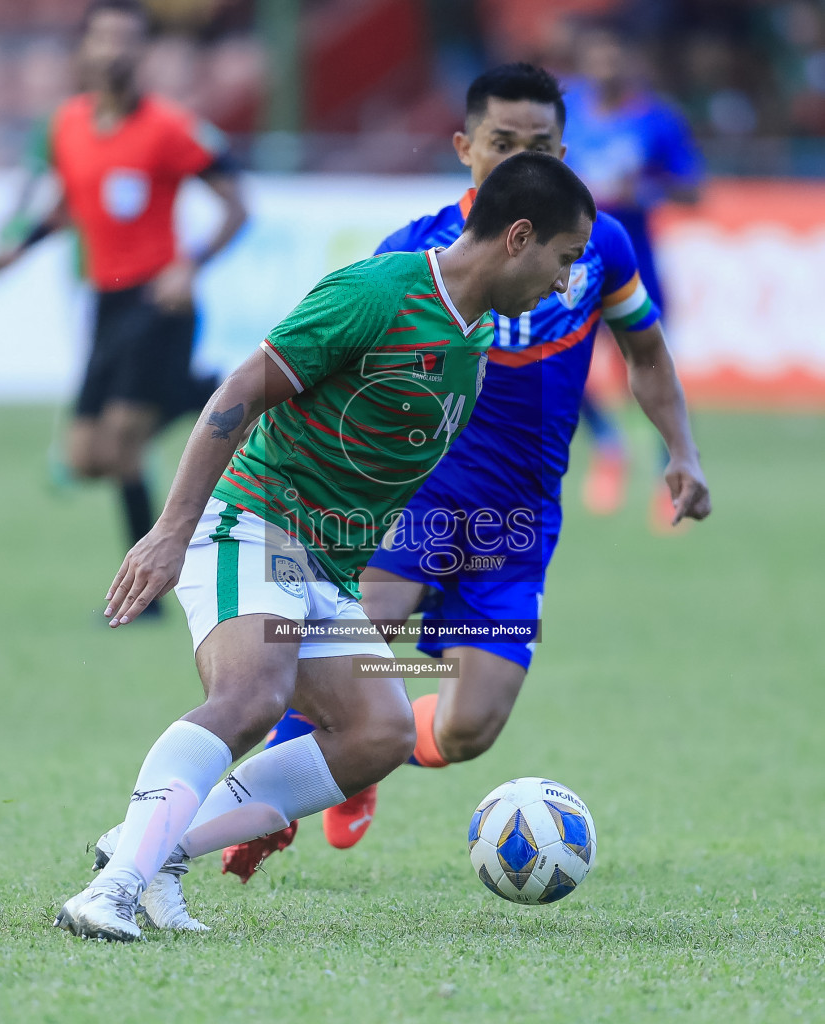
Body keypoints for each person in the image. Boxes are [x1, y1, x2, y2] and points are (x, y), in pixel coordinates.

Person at [51, 150, 597, 942]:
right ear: (520, 236)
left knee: (380, 732)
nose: (565, 282)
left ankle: (156, 851)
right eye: (565, 258)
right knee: (251, 696)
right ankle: (112, 890)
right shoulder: (378, 291)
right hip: (252, 524)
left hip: (324, 567)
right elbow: (240, 392)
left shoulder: (470, 346)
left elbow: (378, 477)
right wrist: (172, 531)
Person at [221, 62, 711, 886]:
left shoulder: (595, 247)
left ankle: (366, 755)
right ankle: (289, 787)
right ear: (464, 146)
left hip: (518, 520)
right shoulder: (411, 250)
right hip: (417, 499)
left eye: (544, 145)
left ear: (565, 148)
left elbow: (648, 353)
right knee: (359, 636)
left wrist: (682, 452)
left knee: (468, 729)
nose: (525, 157)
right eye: (503, 143)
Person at [0, 0, 247, 613]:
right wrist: (17, 249)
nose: (115, 51)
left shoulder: (170, 126)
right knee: (86, 458)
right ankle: (199, 392)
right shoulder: (66, 125)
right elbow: (64, 207)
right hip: (105, 303)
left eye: (128, 40)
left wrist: (192, 262)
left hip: (159, 300)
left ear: (144, 51)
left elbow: (238, 205)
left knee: (125, 447)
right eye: (104, 39)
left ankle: (146, 597)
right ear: (83, 49)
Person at [563, 20, 705, 525]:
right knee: (560, 366)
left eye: (614, 57)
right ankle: (607, 443)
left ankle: (668, 475)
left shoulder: (658, 120)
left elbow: (693, 192)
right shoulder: (563, 112)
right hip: (569, 270)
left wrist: (640, 190)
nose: (605, 66)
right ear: (582, 61)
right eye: (596, 57)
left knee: (646, 369)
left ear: (629, 62)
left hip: (634, 268)